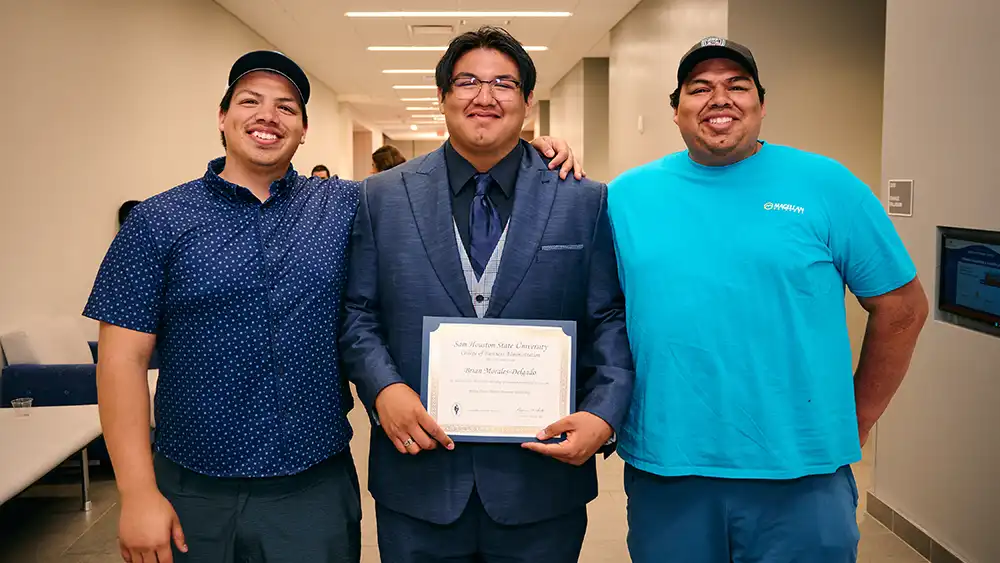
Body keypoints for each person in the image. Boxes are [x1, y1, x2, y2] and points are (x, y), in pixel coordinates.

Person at [83, 48, 583, 563]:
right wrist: (138, 493)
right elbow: (122, 360)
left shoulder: (347, 205)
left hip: (312, 486)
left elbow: (434, 196)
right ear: (222, 117)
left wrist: (530, 152)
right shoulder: (158, 221)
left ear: (303, 130)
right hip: (193, 481)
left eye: (287, 108)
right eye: (250, 101)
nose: (267, 117)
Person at [607, 37, 929, 563]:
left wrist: (857, 418)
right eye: (700, 88)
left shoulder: (826, 185)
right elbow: (599, 315)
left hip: (801, 471)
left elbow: (903, 308)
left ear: (761, 103)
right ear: (676, 109)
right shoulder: (625, 197)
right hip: (669, 467)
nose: (720, 98)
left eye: (738, 86)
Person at [340, 26, 634, 563]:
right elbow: (358, 313)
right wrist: (384, 391)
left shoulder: (582, 199)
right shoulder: (381, 196)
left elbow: (609, 317)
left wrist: (603, 413)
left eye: (504, 83)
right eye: (467, 81)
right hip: (419, 481)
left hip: (541, 483)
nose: (484, 95)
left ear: (526, 101)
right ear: (443, 97)